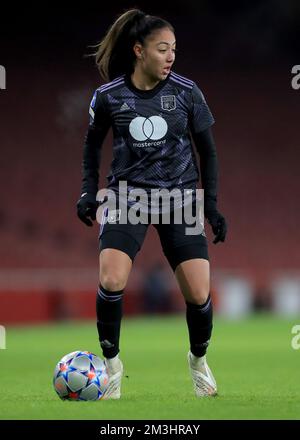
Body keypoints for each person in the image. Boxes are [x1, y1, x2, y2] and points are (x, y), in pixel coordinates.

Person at [77, 8, 227, 399]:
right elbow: (92, 146)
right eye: (163, 49)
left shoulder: (186, 91)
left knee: (198, 294)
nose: (171, 56)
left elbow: (208, 152)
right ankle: (111, 367)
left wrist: (210, 206)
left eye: (174, 49)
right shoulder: (109, 96)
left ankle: (198, 361)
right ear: (139, 50)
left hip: (180, 198)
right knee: (111, 280)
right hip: (128, 196)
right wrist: (86, 191)